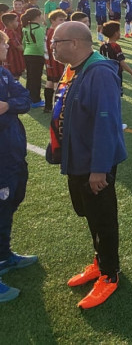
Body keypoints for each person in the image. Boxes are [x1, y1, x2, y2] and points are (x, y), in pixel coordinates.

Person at [51, 21, 126, 309]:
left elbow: (106, 124)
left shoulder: (100, 73)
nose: (53, 47)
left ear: (75, 43)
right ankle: (99, 260)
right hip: (78, 159)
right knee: (90, 214)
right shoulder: (74, 70)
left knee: (103, 217)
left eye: (57, 42)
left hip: (95, 163)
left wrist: (99, 168)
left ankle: (109, 274)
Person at [0, 30, 36, 303]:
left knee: (11, 201)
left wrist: (7, 105)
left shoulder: (4, 72)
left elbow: (25, 99)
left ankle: (4, 255)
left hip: (11, 151)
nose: (7, 46)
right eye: (3, 43)